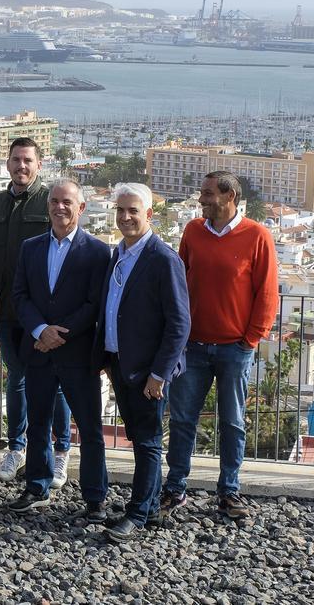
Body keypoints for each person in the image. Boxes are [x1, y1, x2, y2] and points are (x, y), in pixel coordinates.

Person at [161, 171, 278, 520]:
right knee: (182, 420)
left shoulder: (257, 236)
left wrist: (250, 339)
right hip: (193, 347)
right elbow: (180, 282)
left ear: (230, 197)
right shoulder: (194, 232)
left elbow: (268, 293)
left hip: (234, 349)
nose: (202, 200)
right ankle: (175, 488)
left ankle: (229, 491)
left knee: (232, 422)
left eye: (208, 194)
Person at [7, 180, 111, 520]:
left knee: (90, 427)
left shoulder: (97, 251)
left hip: (76, 353)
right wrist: (40, 330)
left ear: (80, 208)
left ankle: (95, 498)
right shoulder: (30, 247)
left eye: (67, 201)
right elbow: (20, 296)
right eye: (54, 201)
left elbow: (94, 303)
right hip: (37, 350)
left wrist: (58, 333)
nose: (59, 207)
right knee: (37, 423)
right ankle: (37, 486)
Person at [93, 183, 190, 541]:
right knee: (138, 437)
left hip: (149, 371)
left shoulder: (163, 259)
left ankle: (137, 513)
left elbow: (179, 323)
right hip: (121, 363)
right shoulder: (118, 253)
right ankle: (148, 507)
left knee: (148, 441)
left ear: (149, 214)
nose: (125, 217)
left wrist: (159, 374)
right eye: (121, 210)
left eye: (133, 211)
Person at [0, 137, 73, 487]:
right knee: (16, 379)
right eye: (16, 160)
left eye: (28, 160)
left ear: (39, 164)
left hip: (42, 313)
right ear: (7, 164)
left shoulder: (50, 202)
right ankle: (17, 447)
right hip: (4, 309)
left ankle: (61, 449)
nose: (21, 166)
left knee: (55, 379)